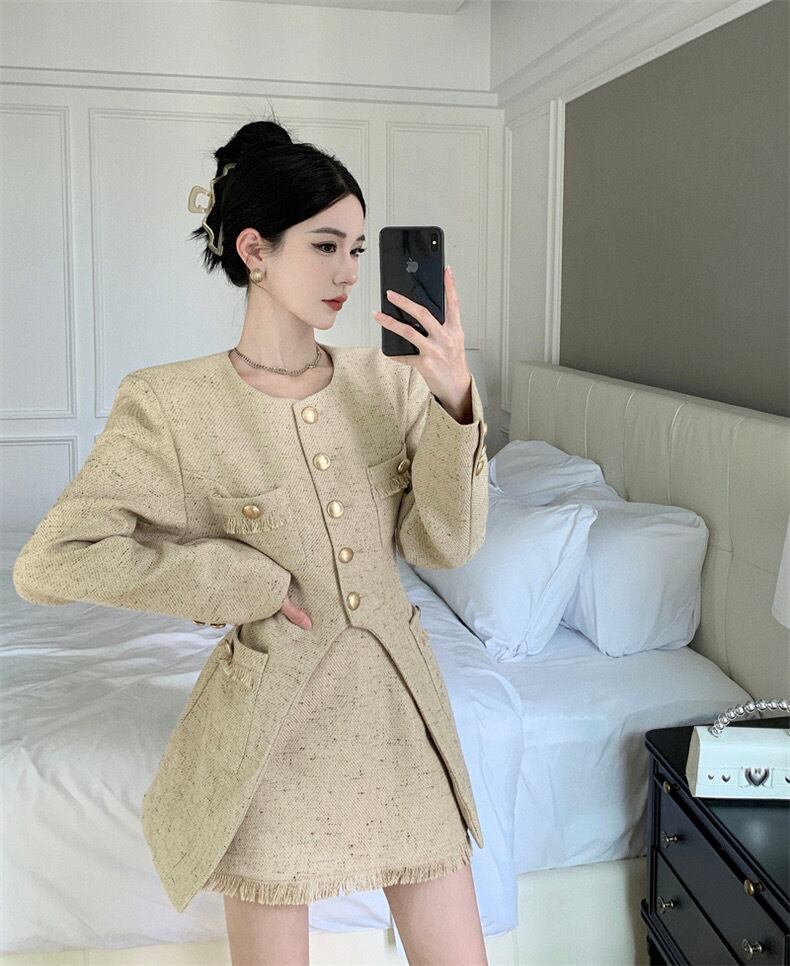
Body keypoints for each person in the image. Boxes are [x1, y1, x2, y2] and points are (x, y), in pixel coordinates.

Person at [12, 113, 490, 966]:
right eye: (325, 246)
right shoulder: (173, 404)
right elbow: (50, 561)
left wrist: (455, 401)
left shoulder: (392, 381)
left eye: (357, 248)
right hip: (270, 731)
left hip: (401, 714)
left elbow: (444, 545)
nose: (349, 271)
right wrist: (233, 580)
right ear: (254, 250)